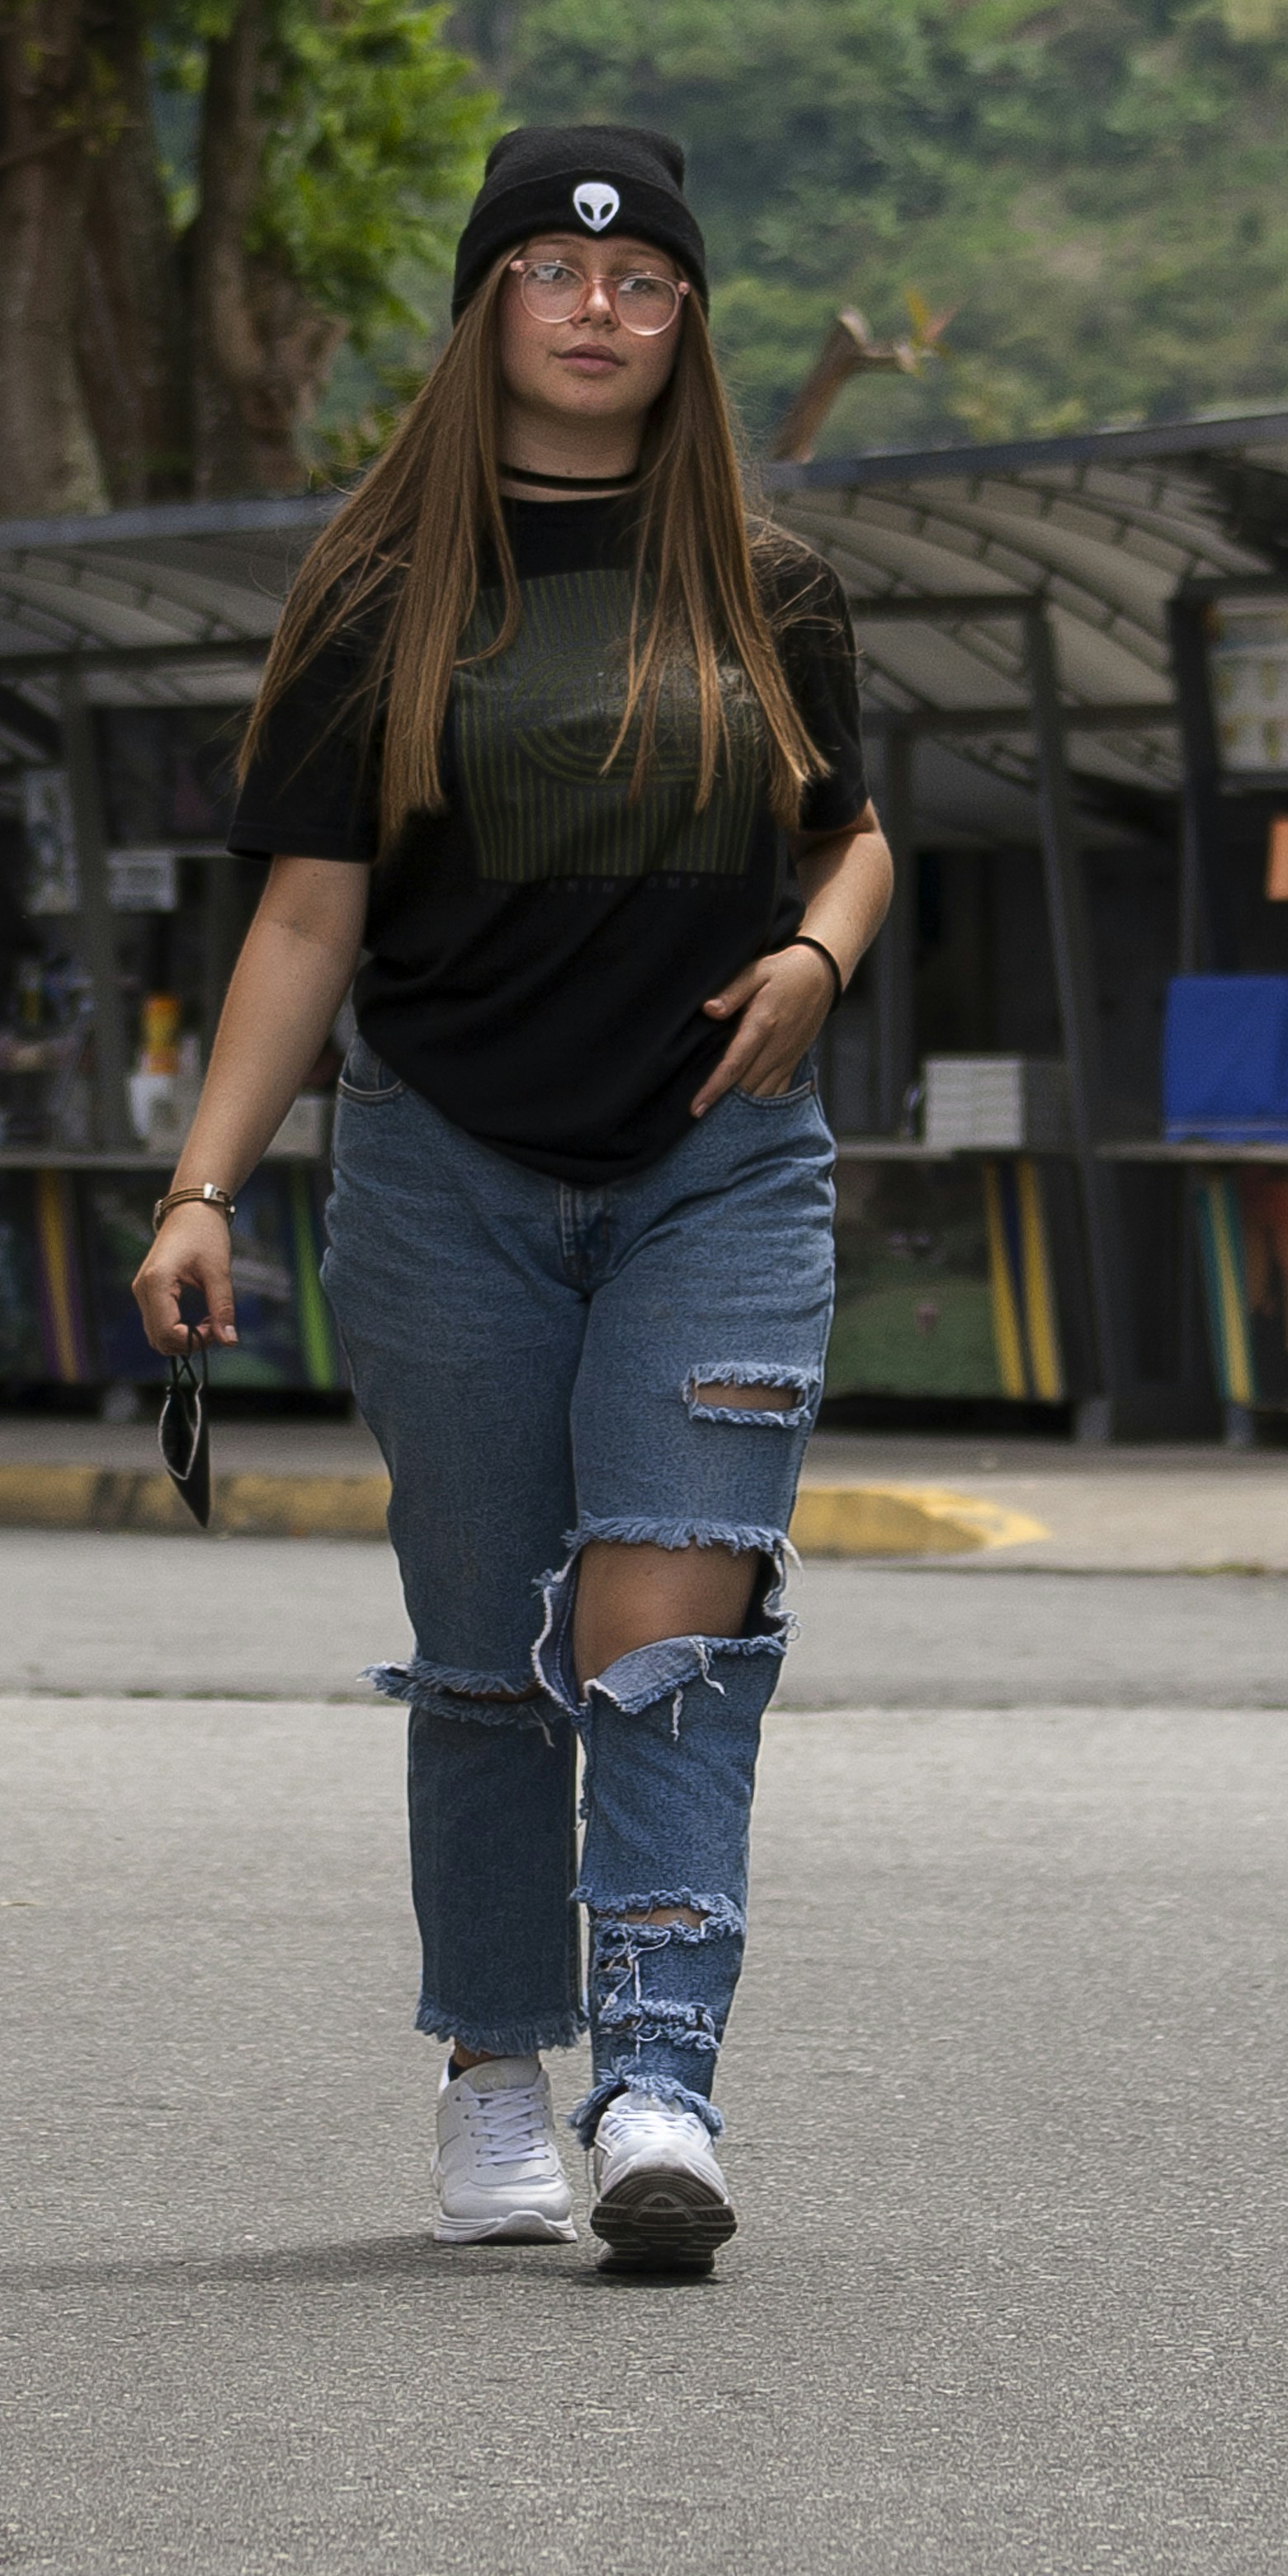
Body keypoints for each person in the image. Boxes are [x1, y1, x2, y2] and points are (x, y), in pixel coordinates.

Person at [134, 121, 891, 2270]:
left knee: (670, 1632)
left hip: (717, 1179)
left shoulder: (769, 585)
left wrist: (821, 955)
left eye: (642, 283)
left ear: (685, 326)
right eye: (555, 280)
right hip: (448, 1182)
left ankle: (660, 2086)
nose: (596, 311)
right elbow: (304, 931)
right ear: (488, 315)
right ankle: (496, 2069)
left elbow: (855, 833)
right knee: (488, 1661)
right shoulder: (386, 600)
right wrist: (205, 1190)